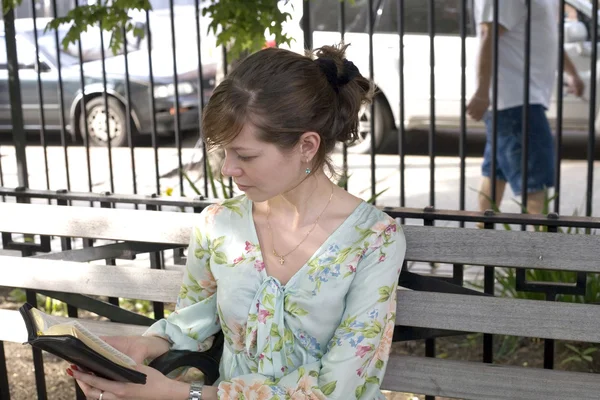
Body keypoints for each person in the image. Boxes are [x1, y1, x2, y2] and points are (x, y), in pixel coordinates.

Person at [68, 43, 406, 399]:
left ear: (307, 145)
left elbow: (338, 390)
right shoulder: (219, 223)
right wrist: (146, 345)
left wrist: (180, 395)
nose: (229, 169)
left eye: (245, 154)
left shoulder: (374, 240)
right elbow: (196, 319)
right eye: (225, 152)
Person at [467, 0, 585, 216]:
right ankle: (538, 246)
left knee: (495, 174)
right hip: (516, 100)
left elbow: (545, 35)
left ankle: (482, 236)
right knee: (535, 182)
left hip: (520, 100)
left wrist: (572, 72)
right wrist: (482, 92)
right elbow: (489, 34)